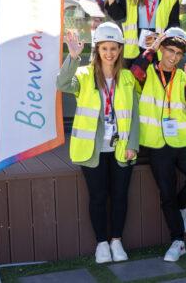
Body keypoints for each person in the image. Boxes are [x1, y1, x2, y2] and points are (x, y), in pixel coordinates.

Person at [57, 23, 139, 264]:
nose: (109, 53)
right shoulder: (83, 74)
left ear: (120, 49)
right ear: (97, 49)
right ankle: (102, 243)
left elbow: (134, 115)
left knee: (120, 196)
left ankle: (116, 240)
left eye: (113, 48)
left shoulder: (127, 77)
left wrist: (133, 143)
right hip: (92, 150)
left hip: (122, 148)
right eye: (104, 48)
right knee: (98, 197)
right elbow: (62, 84)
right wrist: (72, 58)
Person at [129, 28, 186, 262]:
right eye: (170, 50)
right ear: (162, 49)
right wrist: (151, 48)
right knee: (167, 193)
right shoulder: (148, 73)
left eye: (178, 53)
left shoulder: (184, 76)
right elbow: (135, 72)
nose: (173, 57)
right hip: (157, 143)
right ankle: (178, 241)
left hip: (182, 141)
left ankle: (181, 208)